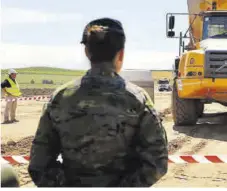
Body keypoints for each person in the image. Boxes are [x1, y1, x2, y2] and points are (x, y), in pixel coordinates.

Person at [28, 18, 168, 187]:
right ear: (121, 54)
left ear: (86, 52)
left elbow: (39, 164)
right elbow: (157, 163)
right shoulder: (138, 99)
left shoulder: (60, 97)